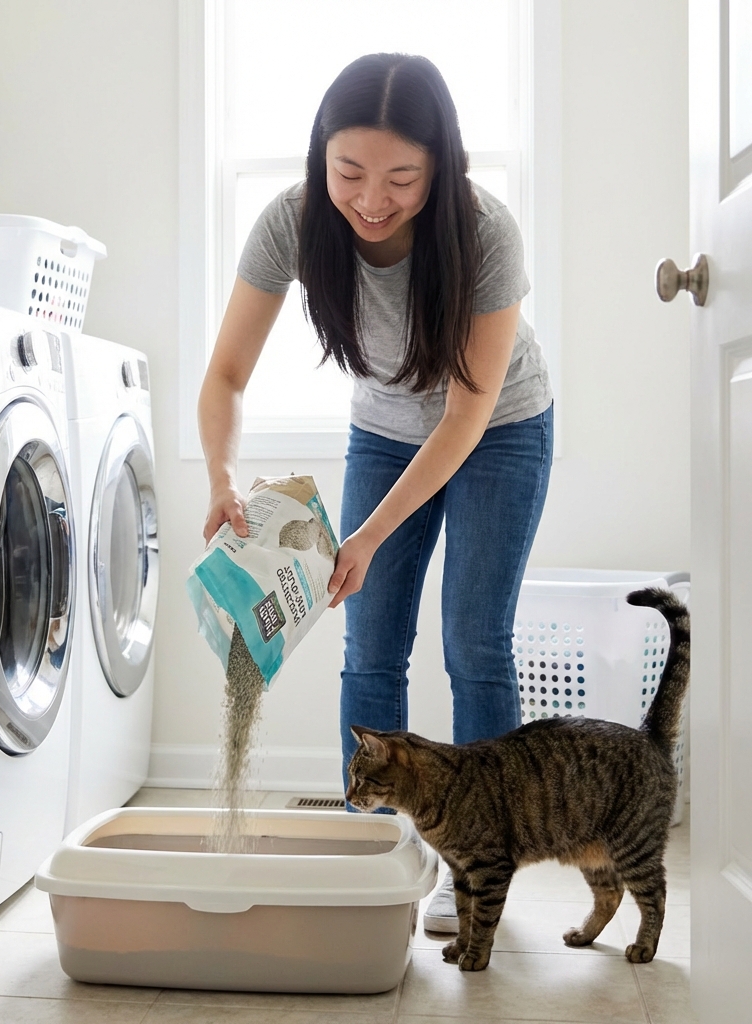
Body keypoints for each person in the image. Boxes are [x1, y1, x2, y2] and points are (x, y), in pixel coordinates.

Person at [197, 53, 553, 933]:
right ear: (321, 157)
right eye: (349, 172)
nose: (372, 199)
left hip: (500, 428)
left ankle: (481, 874)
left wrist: (365, 537)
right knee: (370, 647)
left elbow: (465, 419)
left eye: (403, 178)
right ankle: (372, 854)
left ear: (441, 167)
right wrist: (218, 476)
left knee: (474, 642)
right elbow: (227, 374)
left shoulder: (485, 234)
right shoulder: (291, 224)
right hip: (384, 431)